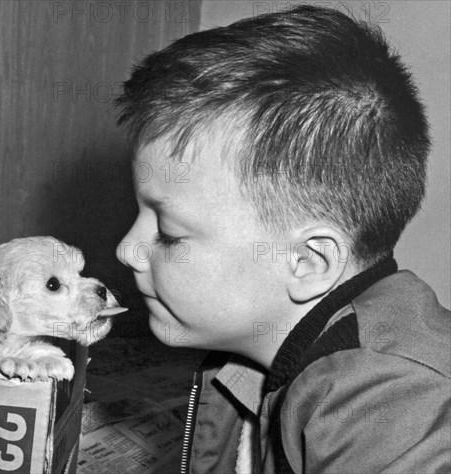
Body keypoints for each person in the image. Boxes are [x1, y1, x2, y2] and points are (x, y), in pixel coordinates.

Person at [114, 5, 450, 474]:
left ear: (307, 261)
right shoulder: (255, 358)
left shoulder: (397, 410)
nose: (127, 249)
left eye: (168, 232)